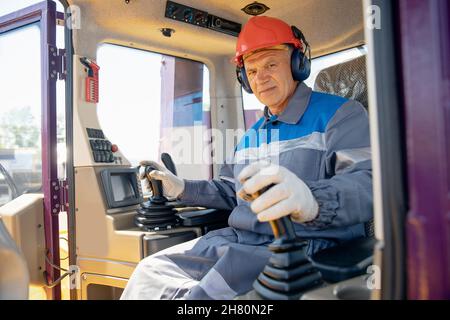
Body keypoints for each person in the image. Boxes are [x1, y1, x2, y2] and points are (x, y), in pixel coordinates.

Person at [120, 16, 372, 300]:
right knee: (149, 273)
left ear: (296, 64)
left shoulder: (341, 114)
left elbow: (367, 184)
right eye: (251, 70)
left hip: (299, 245)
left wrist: (312, 200)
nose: (260, 77)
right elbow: (231, 189)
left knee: (197, 299)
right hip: (236, 239)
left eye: (270, 65)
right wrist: (181, 188)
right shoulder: (252, 134)